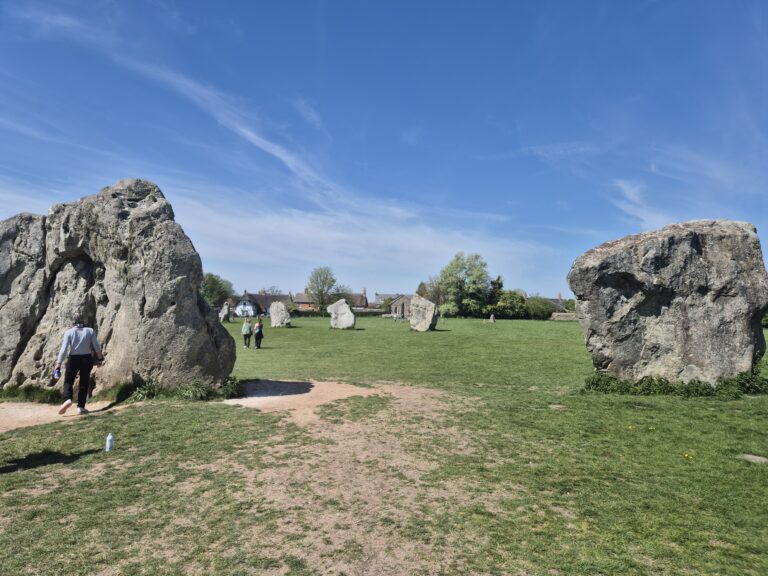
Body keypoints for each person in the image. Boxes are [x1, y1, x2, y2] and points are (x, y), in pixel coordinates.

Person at [55, 314, 104, 416]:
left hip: (74, 359)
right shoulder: (89, 331)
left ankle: (67, 399)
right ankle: (81, 407)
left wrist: (58, 364)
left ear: (73, 322)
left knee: (68, 380)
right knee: (84, 382)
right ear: (83, 321)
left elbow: (64, 350)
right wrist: (100, 358)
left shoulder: (69, 332)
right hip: (87, 358)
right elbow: (96, 346)